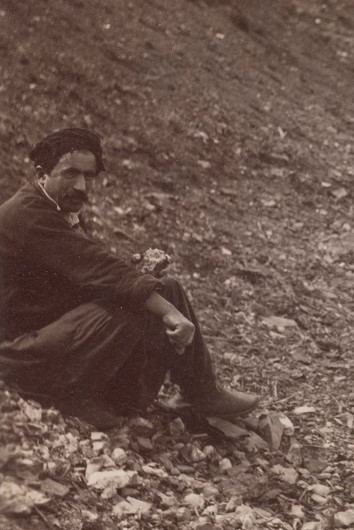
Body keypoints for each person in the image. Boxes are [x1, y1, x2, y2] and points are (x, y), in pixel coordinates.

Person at [0, 127, 259, 429]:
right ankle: (71, 397)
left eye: (90, 176)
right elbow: (100, 269)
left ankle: (200, 393)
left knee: (166, 288)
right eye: (70, 174)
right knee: (138, 302)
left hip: (46, 333)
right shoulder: (28, 214)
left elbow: (84, 274)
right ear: (42, 173)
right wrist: (171, 314)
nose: (82, 186)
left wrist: (140, 276)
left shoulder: (58, 208)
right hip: (16, 355)